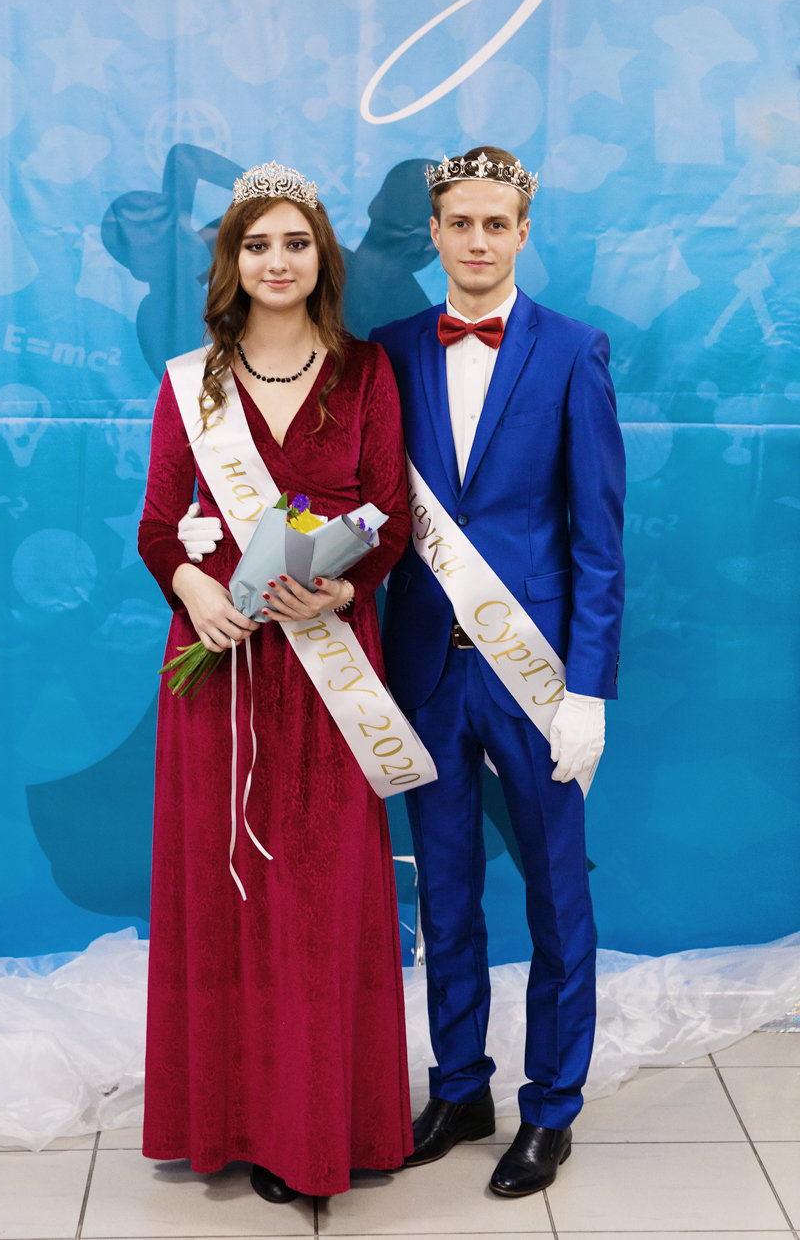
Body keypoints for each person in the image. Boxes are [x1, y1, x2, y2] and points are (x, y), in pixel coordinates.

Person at [138, 162, 414, 1202]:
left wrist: (345, 592)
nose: (277, 260)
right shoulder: (192, 383)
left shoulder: (366, 374)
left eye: (295, 242)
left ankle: (322, 1123)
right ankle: (229, 1119)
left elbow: (388, 515)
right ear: (232, 261)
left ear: (322, 257)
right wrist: (191, 588)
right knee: (227, 892)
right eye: (258, 244)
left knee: (320, 897)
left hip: (329, 667)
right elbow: (157, 525)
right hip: (222, 669)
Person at [369, 146, 626, 1197]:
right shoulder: (390, 350)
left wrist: (589, 690)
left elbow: (598, 538)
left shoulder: (572, 351)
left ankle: (550, 1108)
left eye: (495, 223)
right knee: (446, 895)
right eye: (459, 222)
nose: (477, 240)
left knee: (557, 901)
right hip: (426, 667)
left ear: (523, 231)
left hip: (537, 676)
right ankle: (460, 1085)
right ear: (433, 232)